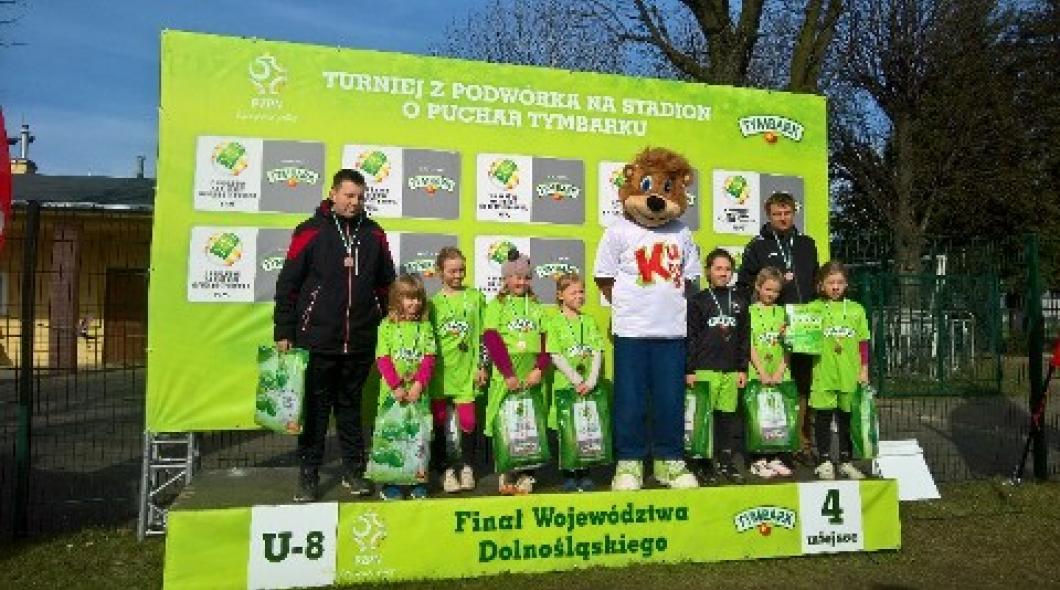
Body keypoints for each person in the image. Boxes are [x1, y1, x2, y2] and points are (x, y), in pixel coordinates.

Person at [273, 168, 396, 502]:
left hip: (359, 339)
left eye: (360, 197)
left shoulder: (374, 234)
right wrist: (283, 329)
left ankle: (354, 471)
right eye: (348, 195)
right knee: (315, 411)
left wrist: (390, 324)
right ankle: (308, 475)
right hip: (317, 338)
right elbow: (288, 285)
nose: (354, 202)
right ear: (333, 194)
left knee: (350, 409)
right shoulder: (310, 231)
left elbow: (386, 284)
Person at [735, 191, 819, 461]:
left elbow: (815, 282)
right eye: (777, 214)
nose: (783, 218)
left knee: (802, 386)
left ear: (794, 212)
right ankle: (766, 442)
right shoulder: (757, 246)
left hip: (804, 326)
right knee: (768, 384)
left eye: (787, 213)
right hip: (772, 327)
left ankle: (801, 443)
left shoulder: (807, 244)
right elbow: (744, 285)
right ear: (768, 216)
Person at [482, 250, 550, 495]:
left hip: (531, 376)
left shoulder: (537, 307)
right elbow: (492, 339)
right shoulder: (497, 305)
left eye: (525, 277)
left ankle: (528, 473)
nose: (521, 281)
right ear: (506, 278)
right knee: (506, 422)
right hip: (507, 376)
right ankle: (507, 471)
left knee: (529, 424)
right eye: (516, 277)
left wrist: (539, 369)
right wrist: (508, 373)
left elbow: (547, 341)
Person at [686, 249, 750, 484]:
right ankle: (703, 463)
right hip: (705, 368)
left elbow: (744, 337)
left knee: (726, 418)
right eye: (718, 268)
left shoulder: (740, 301)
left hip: (730, 370)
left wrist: (742, 368)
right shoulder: (698, 301)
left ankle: (725, 461)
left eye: (728, 269)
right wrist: (689, 369)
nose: (723, 273)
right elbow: (691, 337)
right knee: (704, 419)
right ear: (708, 271)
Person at [372, 274, 438, 500]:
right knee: (393, 438)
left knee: (417, 438)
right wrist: (396, 386)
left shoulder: (425, 326)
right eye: (409, 298)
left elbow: (429, 358)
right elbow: (383, 359)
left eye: (418, 298)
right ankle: (391, 483)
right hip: (393, 396)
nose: (414, 303)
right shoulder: (386, 326)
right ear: (396, 300)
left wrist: (419, 384)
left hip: (418, 395)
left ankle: (418, 481)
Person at [427, 247, 487, 493]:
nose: (458, 275)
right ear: (440, 272)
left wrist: (482, 365)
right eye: (452, 271)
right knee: (440, 422)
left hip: (467, 371)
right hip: (440, 375)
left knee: (468, 421)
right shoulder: (432, 304)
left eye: (461, 270)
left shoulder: (475, 297)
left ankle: (467, 467)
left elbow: (484, 334)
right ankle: (444, 470)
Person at [810, 261, 869, 480]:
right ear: (821, 284)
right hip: (823, 372)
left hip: (849, 373)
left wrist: (864, 369)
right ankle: (824, 460)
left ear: (846, 284)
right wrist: (788, 330)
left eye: (840, 282)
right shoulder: (813, 308)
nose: (835, 287)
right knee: (823, 417)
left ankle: (846, 461)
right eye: (830, 282)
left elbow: (863, 342)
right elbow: (800, 336)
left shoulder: (856, 309)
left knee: (847, 418)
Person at [546, 273, 605, 492]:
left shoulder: (588, 321)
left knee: (586, 430)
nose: (579, 296)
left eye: (581, 292)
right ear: (560, 295)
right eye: (573, 292)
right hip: (566, 387)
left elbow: (597, 351)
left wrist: (591, 380)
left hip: (588, 388)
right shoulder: (554, 323)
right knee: (568, 432)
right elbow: (555, 355)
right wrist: (577, 379)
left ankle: (585, 473)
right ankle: (569, 474)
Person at [747, 266, 794, 479]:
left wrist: (780, 371)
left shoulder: (784, 313)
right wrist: (762, 372)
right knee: (758, 417)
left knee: (777, 417)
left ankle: (775, 456)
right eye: (767, 289)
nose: (771, 294)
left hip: (779, 373)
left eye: (776, 291)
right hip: (757, 373)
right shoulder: (749, 312)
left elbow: (789, 345)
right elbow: (749, 345)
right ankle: (757, 460)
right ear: (758, 287)